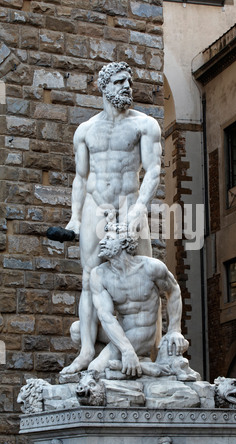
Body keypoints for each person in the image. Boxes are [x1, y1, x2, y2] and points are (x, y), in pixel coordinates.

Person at [61, 62, 162, 374]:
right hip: (96, 206)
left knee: (146, 276)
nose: (126, 86)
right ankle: (87, 350)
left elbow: (153, 170)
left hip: (129, 203)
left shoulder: (144, 125)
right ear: (103, 87)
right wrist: (75, 218)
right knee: (90, 277)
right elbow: (80, 177)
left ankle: (149, 351)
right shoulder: (86, 130)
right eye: (118, 81)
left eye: (128, 81)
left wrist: (138, 210)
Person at [87, 228, 188, 377]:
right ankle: (140, 365)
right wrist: (127, 350)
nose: (102, 242)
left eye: (108, 238)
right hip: (121, 329)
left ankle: (127, 362)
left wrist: (174, 330)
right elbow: (106, 316)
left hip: (142, 332)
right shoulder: (99, 274)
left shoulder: (151, 267)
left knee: (95, 368)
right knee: (77, 330)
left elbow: (173, 291)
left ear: (124, 242)